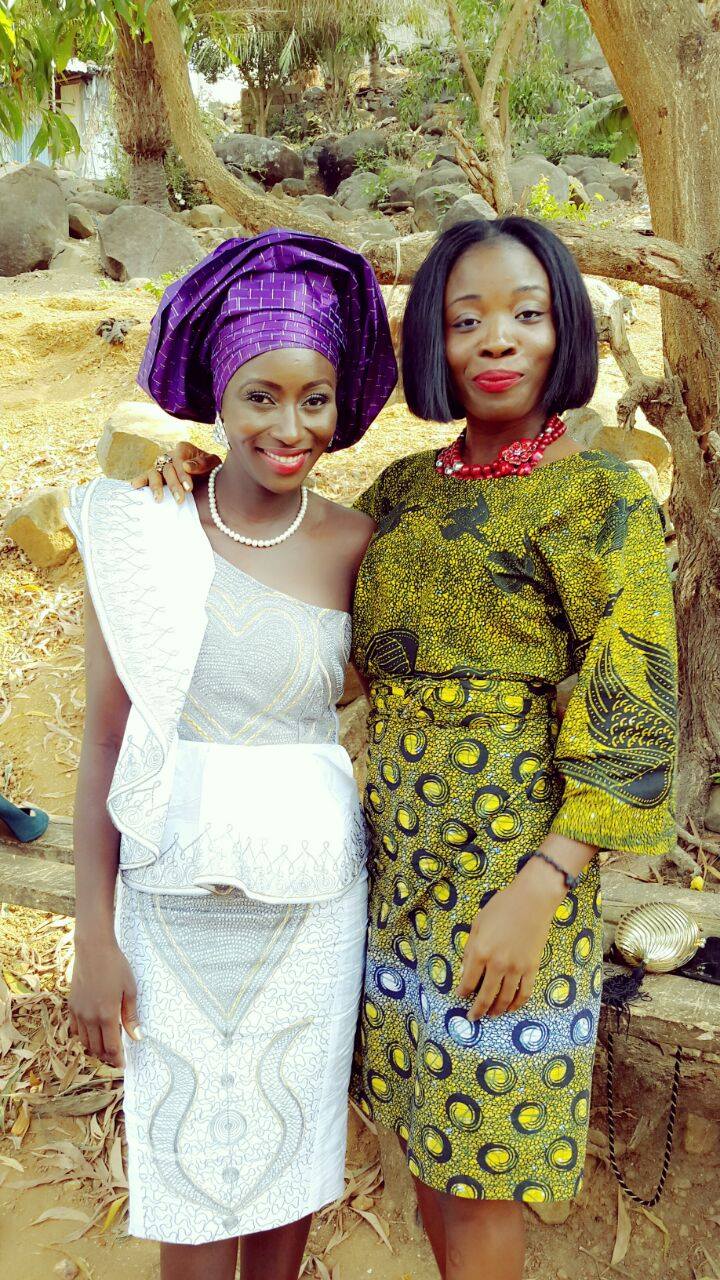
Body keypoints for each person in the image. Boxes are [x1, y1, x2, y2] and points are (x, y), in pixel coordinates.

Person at [139, 217, 677, 1280]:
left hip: (512, 889)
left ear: (565, 328)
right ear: (432, 339)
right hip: (390, 882)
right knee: (433, 1168)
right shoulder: (401, 494)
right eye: (465, 319)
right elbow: (311, 632)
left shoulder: (603, 498)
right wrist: (208, 482)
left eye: (527, 313)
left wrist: (541, 888)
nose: (496, 338)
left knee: (478, 1190)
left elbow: (634, 711)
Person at [65, 229, 398, 1280]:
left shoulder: (358, 545)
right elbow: (107, 739)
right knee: (194, 1191)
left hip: (312, 910)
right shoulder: (146, 531)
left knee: (291, 1165)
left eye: (314, 399)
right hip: (169, 908)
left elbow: (368, 693)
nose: (289, 427)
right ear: (218, 393)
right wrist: (92, 935)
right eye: (261, 396)